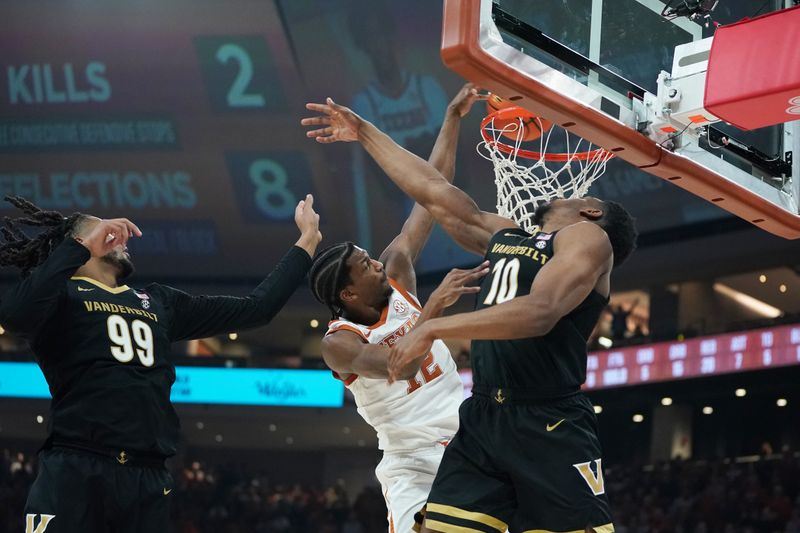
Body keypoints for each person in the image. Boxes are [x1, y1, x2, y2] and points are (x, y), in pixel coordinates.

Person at [302, 98, 637, 533]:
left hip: (545, 417)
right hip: (473, 422)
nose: (563, 194)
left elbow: (540, 311)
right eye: (365, 266)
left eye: (579, 196)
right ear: (347, 293)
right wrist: (365, 131)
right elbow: (433, 194)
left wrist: (436, 324)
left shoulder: (587, 238)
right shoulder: (506, 236)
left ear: (591, 213)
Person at [0, 194, 321, 533]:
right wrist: (80, 249)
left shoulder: (159, 301)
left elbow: (257, 309)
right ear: (77, 244)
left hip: (148, 475)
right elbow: (15, 316)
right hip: (78, 466)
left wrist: (306, 242)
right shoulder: (60, 297)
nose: (119, 238)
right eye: (105, 233)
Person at [307, 84, 485, 533]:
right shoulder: (339, 343)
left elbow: (432, 193)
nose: (376, 262)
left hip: (468, 437)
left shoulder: (397, 272)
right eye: (365, 265)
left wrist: (452, 119)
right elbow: (399, 366)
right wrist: (435, 308)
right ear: (348, 295)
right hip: (412, 459)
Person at [346, 0, 449, 251]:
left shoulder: (427, 88)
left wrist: (399, 155)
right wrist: (424, 147)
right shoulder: (363, 103)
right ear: (362, 45)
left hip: (450, 212)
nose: (379, 44)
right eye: (370, 37)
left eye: (382, 33)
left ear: (392, 35)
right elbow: (388, 185)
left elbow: (456, 166)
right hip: (413, 227)